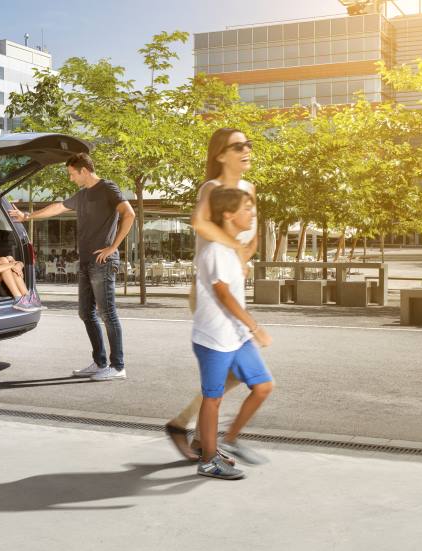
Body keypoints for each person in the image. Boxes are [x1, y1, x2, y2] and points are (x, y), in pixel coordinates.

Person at [166, 128, 260, 461]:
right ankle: (193, 434)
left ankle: (189, 429)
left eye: (248, 144)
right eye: (238, 146)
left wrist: (243, 259)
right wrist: (235, 249)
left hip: (234, 287)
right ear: (220, 155)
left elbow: (253, 239)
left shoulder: (249, 189)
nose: (247, 149)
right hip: (210, 290)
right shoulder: (212, 188)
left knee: (240, 371)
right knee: (231, 368)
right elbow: (199, 224)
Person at [9, 152, 135, 381]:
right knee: (85, 312)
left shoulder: (107, 188)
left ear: (84, 171)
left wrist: (113, 247)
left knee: (107, 313)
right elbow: (58, 207)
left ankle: (118, 366)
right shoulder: (83, 195)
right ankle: (100, 362)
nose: (70, 178)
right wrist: (27, 216)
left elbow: (129, 214)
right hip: (86, 261)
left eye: (72, 174)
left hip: (103, 261)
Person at [191, 187, 274, 480]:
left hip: (235, 335)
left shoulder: (229, 249)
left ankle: (228, 440)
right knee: (213, 398)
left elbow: (245, 258)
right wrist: (256, 327)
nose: (251, 213)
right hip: (213, 338)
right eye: (246, 208)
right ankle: (208, 460)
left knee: (262, 385)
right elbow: (223, 295)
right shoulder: (214, 251)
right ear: (227, 214)